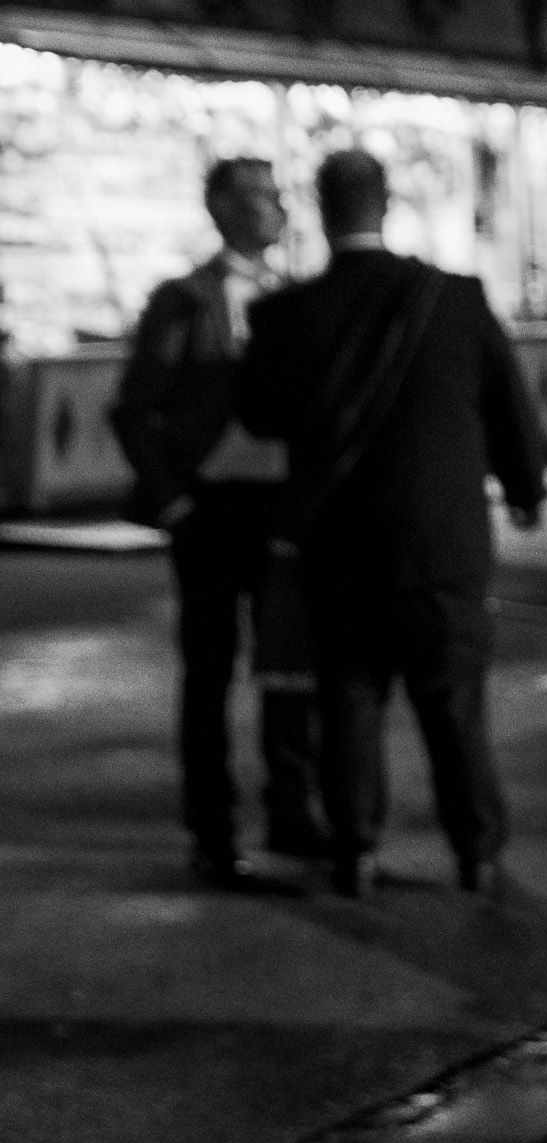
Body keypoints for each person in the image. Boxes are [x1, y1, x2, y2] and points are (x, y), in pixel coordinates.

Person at [237, 149, 547, 897]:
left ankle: (356, 850)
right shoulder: (455, 299)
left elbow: (258, 415)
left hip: (339, 547)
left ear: (321, 210)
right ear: (387, 205)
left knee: (349, 699)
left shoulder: (286, 313)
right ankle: (475, 851)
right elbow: (510, 404)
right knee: (454, 703)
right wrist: (525, 488)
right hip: (440, 545)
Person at [112, 156, 326, 892]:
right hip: (211, 509)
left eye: (277, 194)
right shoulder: (184, 299)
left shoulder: (296, 295)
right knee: (208, 673)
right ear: (220, 208)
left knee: (289, 667)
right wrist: (173, 501)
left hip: (282, 508)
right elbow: (133, 407)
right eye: (258, 196)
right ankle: (213, 832)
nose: (275, 208)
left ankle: (292, 811)